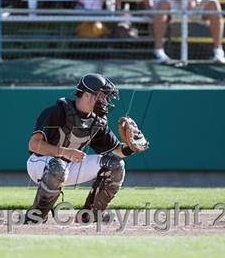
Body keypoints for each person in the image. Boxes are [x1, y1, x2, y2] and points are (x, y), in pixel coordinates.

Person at [25, 73, 147, 224]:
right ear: (88, 94)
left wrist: (132, 146)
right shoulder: (57, 111)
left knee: (116, 165)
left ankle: (89, 214)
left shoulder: (98, 121)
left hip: (69, 166)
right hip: (40, 162)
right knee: (58, 168)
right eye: (103, 96)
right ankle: (37, 214)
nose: (106, 101)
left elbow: (117, 152)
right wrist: (64, 152)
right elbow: (33, 144)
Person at [144, 0, 225, 63]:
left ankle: (218, 52)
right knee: (162, 5)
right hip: (170, 2)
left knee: (213, 3)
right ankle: (158, 51)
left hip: (194, 3)